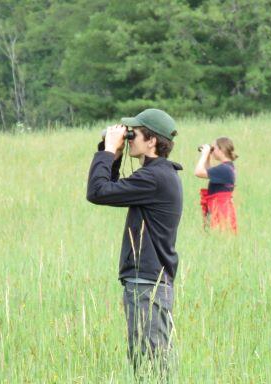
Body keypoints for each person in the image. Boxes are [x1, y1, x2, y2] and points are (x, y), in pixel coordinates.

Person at [86, 108, 182, 378]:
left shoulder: (153, 178)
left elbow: (97, 192)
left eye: (133, 134)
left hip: (146, 284)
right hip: (149, 283)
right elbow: (109, 189)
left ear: (152, 141)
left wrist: (106, 153)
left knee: (151, 363)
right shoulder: (159, 175)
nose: (129, 139)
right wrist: (114, 158)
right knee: (150, 359)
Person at [193, 137, 238, 233]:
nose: (212, 150)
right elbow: (210, 173)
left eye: (213, 148)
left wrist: (204, 155)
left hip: (220, 211)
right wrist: (208, 156)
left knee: (217, 235)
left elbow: (198, 172)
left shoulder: (224, 169)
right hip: (221, 208)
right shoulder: (227, 167)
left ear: (221, 149)